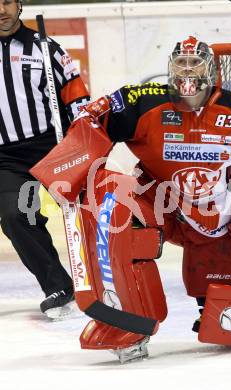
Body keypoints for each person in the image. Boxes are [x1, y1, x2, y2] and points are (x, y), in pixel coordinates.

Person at [32, 36, 231, 362]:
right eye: (181, 63)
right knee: (108, 192)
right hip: (158, 204)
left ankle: (212, 301)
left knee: (219, 313)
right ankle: (130, 316)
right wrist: (76, 144)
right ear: (170, 68)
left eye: (195, 63)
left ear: (211, 69)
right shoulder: (144, 102)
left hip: (213, 217)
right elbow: (94, 117)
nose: (187, 70)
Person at [0, 0, 90, 318]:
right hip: (6, 157)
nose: (2, 9)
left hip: (52, 146)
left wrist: (80, 144)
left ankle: (106, 277)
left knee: (92, 206)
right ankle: (59, 285)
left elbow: (77, 95)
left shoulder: (45, 47)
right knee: (15, 215)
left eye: (7, 1)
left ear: (20, 5)